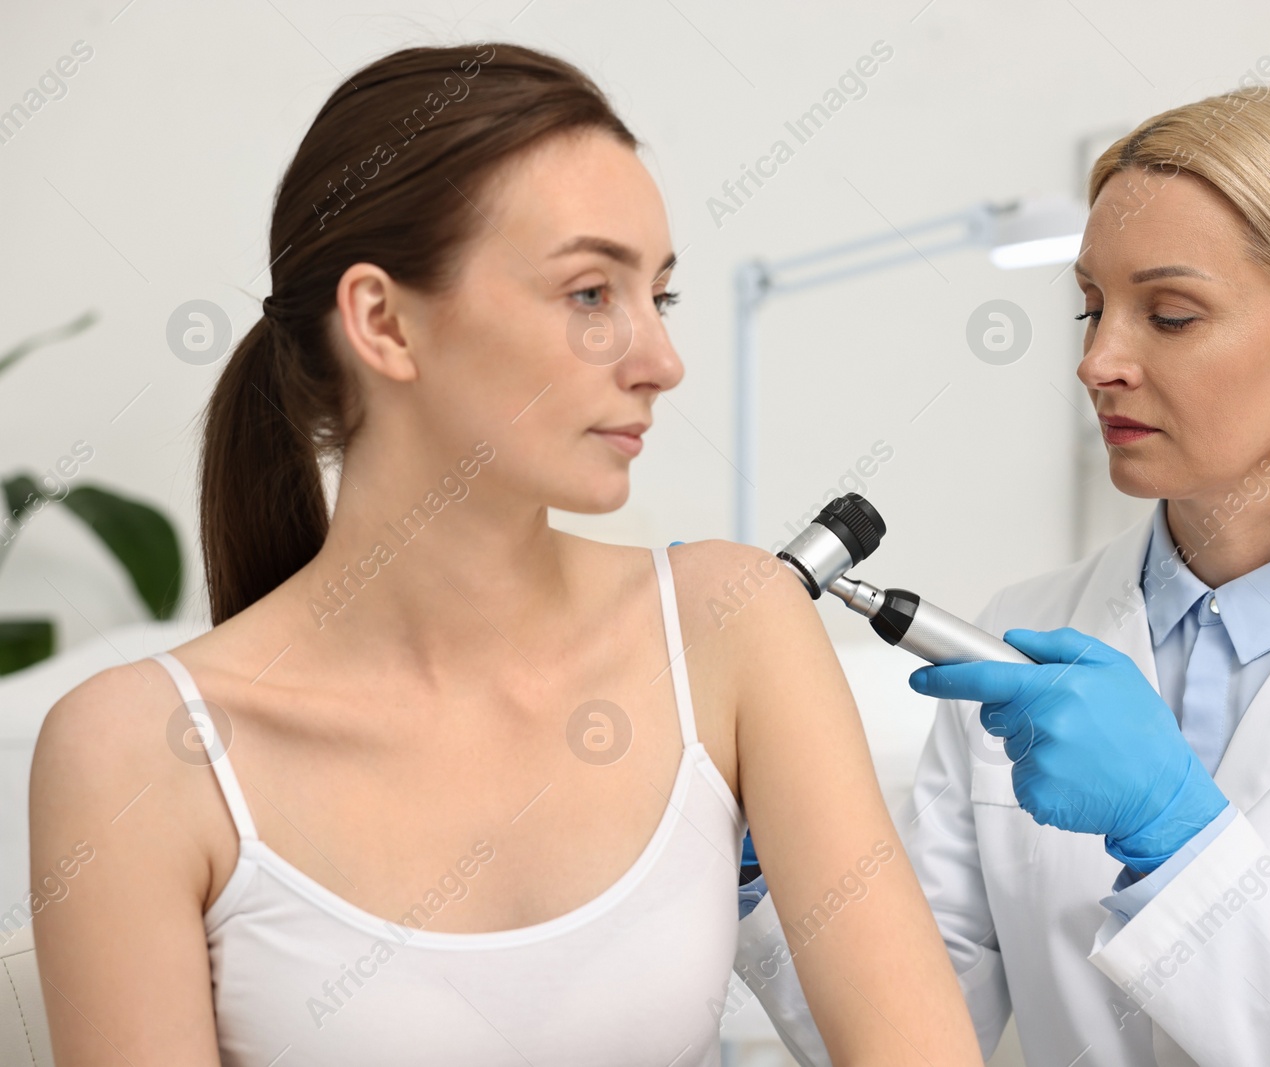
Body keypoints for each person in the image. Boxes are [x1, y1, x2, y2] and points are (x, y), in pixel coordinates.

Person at [28, 43, 984, 1067]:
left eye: (655, 296)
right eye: (587, 295)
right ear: (384, 322)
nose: (661, 363)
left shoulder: (732, 622)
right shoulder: (135, 751)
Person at [738, 85, 1270, 1066]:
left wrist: (1175, 837)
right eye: (1091, 306)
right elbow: (921, 1033)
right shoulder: (1020, 627)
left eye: (1172, 315)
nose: (1098, 360)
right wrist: (766, 873)